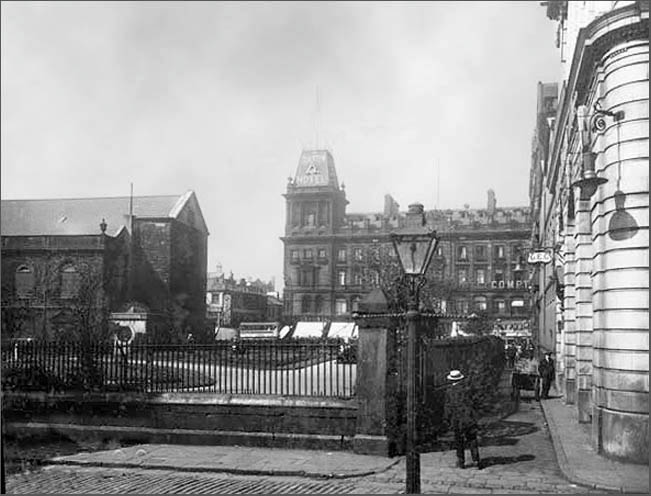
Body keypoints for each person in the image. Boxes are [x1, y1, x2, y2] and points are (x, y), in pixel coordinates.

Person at [444, 369, 482, 469]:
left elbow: (448, 407)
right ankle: (476, 461)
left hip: (457, 419)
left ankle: (461, 461)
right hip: (469, 418)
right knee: (472, 439)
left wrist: (447, 419)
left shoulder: (449, 391)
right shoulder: (468, 389)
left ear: (451, 380)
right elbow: (475, 403)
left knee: (459, 441)